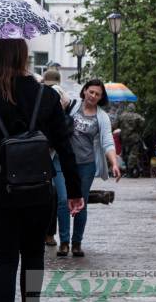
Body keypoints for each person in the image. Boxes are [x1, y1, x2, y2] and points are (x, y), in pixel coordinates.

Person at [0, 39, 83, 302]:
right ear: (24, 58)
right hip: (39, 191)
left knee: (4, 259)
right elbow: (65, 147)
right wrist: (75, 191)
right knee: (33, 255)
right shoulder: (47, 96)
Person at [57, 79, 121, 258]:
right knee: (63, 200)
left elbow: (108, 141)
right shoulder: (71, 105)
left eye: (97, 94)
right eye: (91, 91)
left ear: (101, 98)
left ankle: (76, 243)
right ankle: (63, 242)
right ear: (84, 91)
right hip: (63, 161)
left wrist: (114, 163)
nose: (93, 96)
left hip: (86, 165)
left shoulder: (102, 117)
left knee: (80, 202)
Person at [41, 68, 71, 248]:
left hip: (43, 149)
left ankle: (48, 233)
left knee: (48, 195)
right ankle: (52, 235)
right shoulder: (64, 95)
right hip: (57, 150)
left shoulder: (41, 92)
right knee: (57, 196)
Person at [116, 104, 146, 177]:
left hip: (124, 138)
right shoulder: (137, 116)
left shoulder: (121, 116)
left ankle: (128, 170)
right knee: (133, 154)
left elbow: (115, 125)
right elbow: (143, 123)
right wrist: (137, 128)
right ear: (133, 109)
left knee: (125, 154)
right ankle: (130, 170)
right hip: (134, 138)